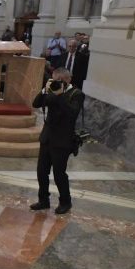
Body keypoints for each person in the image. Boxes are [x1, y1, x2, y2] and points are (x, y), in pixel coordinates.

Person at [30, 68, 83, 214]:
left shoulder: (76, 94)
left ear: (68, 80)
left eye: (59, 80)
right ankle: (43, 200)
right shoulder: (51, 91)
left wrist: (60, 95)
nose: (56, 83)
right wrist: (44, 90)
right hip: (47, 137)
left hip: (62, 140)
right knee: (41, 171)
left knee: (59, 173)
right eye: (53, 80)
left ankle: (66, 202)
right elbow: (35, 104)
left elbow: (72, 114)